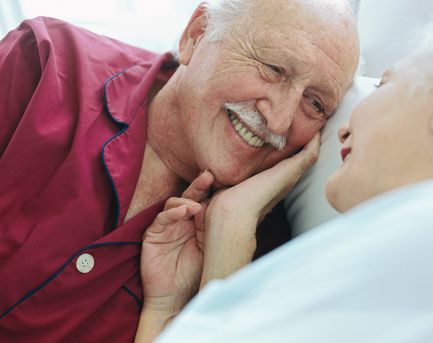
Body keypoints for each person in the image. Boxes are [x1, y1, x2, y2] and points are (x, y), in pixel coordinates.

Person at [0, 0, 359, 342]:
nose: (279, 121)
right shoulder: (44, 64)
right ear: (196, 34)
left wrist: (180, 301)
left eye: (314, 104)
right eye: (274, 69)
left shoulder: (261, 259)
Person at [152, 1, 433, 342]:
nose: (342, 129)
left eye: (382, 86)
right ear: (196, 35)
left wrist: (228, 242)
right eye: (274, 68)